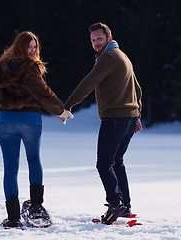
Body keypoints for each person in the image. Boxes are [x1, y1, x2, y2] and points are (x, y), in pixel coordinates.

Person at [63, 22, 143, 225]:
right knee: (117, 162)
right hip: (128, 117)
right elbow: (137, 88)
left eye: (99, 38)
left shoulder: (109, 57)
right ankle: (125, 206)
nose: (96, 43)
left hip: (115, 118)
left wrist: (68, 105)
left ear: (108, 37)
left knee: (104, 163)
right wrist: (137, 114)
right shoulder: (121, 55)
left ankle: (116, 203)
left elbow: (88, 83)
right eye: (92, 40)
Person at [0, 31, 73, 228]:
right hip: (30, 120)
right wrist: (61, 111)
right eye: (29, 46)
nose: (32, 50)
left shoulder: (1, 65)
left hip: (5, 121)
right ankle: (36, 207)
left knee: (10, 168)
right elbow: (43, 92)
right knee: (33, 159)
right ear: (19, 46)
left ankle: (13, 218)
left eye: (34, 47)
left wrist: (6, 111)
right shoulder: (30, 67)